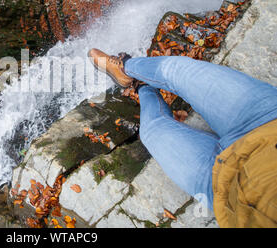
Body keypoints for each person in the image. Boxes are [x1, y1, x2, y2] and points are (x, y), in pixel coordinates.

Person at [87, 48, 277, 228]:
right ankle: (125, 67)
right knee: (175, 69)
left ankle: (140, 85)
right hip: (267, 121)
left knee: (152, 130)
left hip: (226, 189)